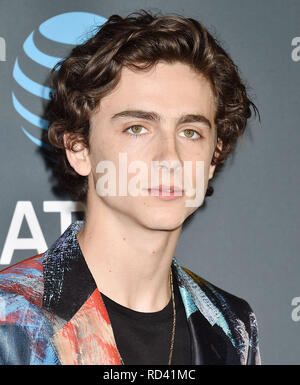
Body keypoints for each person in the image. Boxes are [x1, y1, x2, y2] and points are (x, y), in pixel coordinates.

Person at [0, 9, 261, 365]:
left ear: (213, 158)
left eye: (190, 132)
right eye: (137, 128)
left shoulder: (232, 325)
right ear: (79, 148)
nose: (170, 157)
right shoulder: (9, 316)